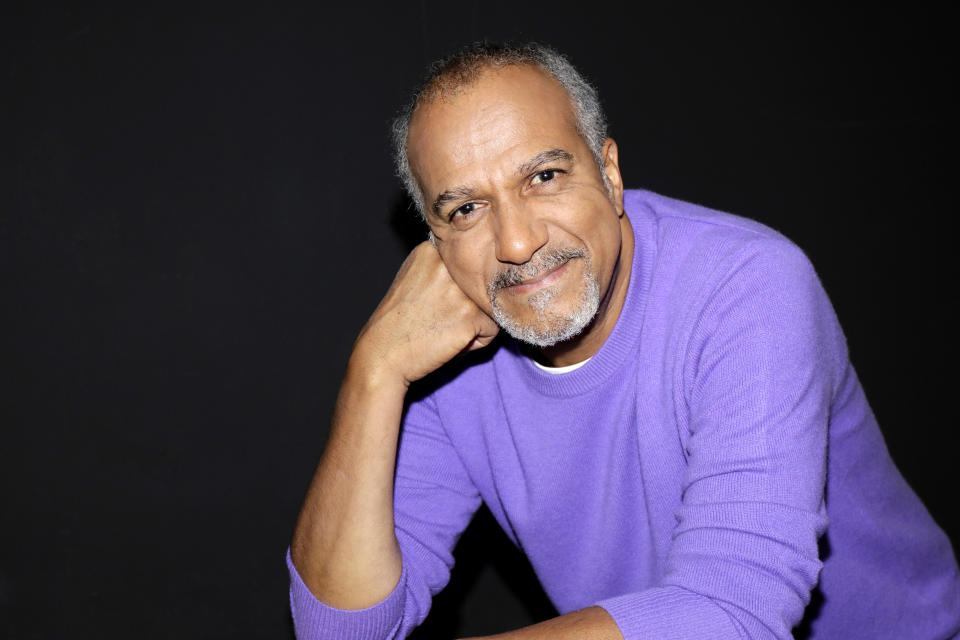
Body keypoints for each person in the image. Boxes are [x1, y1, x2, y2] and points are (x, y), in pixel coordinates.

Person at [287, 43, 960, 639]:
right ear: (434, 243)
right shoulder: (449, 352)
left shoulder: (746, 286)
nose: (517, 242)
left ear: (610, 174)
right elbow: (339, 628)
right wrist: (373, 370)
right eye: (466, 209)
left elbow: (734, 613)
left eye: (543, 177)